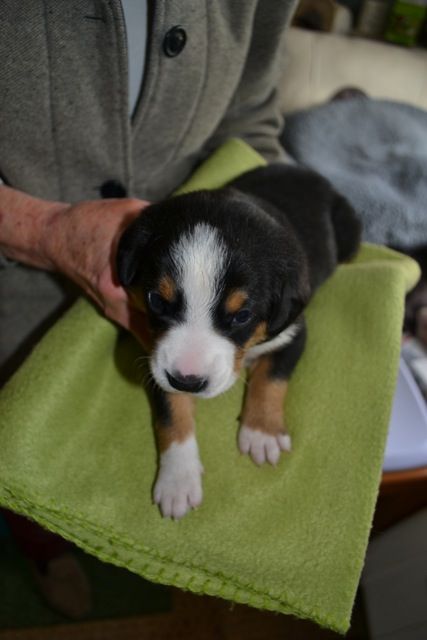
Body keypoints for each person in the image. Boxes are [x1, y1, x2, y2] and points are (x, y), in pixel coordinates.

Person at [0, 0, 297, 617]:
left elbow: (253, 117)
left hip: (191, 265)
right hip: (11, 280)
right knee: (19, 445)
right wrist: (40, 227)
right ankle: (41, 543)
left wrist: (268, 231)